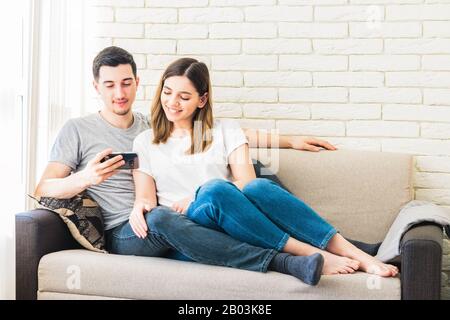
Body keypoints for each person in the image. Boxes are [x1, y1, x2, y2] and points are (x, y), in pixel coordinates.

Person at [34, 46, 345, 286]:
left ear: (138, 83)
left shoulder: (150, 125)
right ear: (96, 86)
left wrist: (290, 141)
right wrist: (86, 178)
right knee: (162, 218)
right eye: (110, 85)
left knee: (255, 180)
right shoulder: (76, 129)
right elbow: (43, 189)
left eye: (126, 83)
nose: (120, 93)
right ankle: (284, 261)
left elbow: (221, 132)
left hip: (171, 218)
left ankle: (331, 242)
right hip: (128, 230)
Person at [132, 57, 399, 278]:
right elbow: (146, 198)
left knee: (254, 186)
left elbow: (245, 183)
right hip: (190, 226)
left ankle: (357, 253)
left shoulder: (225, 131)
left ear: (201, 100)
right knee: (214, 190)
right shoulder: (145, 141)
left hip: (228, 212)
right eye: (167, 93)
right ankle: (312, 253)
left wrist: (196, 194)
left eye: (184, 96)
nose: (172, 102)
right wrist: (138, 207)